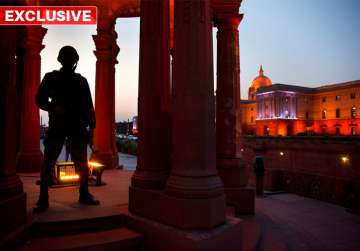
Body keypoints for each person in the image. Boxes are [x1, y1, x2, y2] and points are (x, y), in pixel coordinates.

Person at [34, 45, 99, 213]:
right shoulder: (51, 78)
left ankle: (84, 193)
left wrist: (91, 123)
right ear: (62, 60)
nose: (70, 62)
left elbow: (88, 105)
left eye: (72, 59)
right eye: (68, 59)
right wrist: (53, 107)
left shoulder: (81, 81)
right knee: (49, 160)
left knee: (82, 162)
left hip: (76, 125)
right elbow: (39, 99)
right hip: (59, 124)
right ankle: (43, 197)